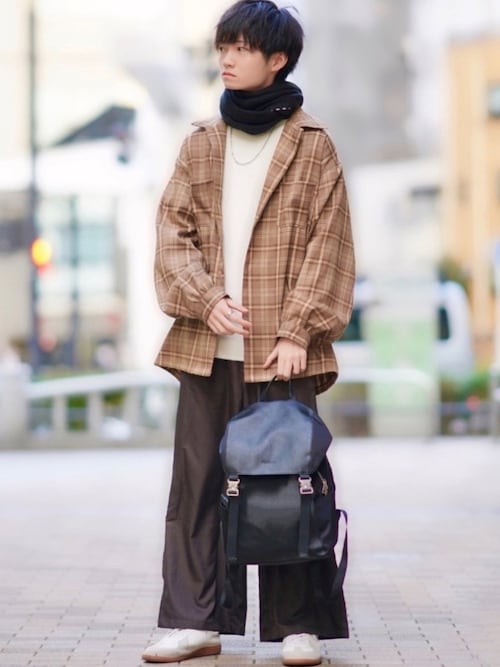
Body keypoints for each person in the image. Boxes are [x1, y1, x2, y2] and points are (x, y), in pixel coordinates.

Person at [142, 1, 355, 665]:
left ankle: (297, 625)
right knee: (197, 488)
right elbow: (171, 235)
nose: (227, 59)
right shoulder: (202, 142)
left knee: (289, 484)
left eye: (241, 48)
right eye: (223, 46)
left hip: (282, 354)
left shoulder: (312, 145)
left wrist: (298, 331)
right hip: (207, 349)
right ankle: (193, 620)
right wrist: (205, 300)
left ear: (278, 58)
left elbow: (329, 245)